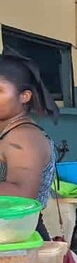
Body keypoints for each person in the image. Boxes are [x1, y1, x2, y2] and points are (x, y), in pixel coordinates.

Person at [0, 54, 58, 240]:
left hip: (18, 243)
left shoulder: (23, 136)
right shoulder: (8, 133)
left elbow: (22, 195)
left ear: (24, 96)